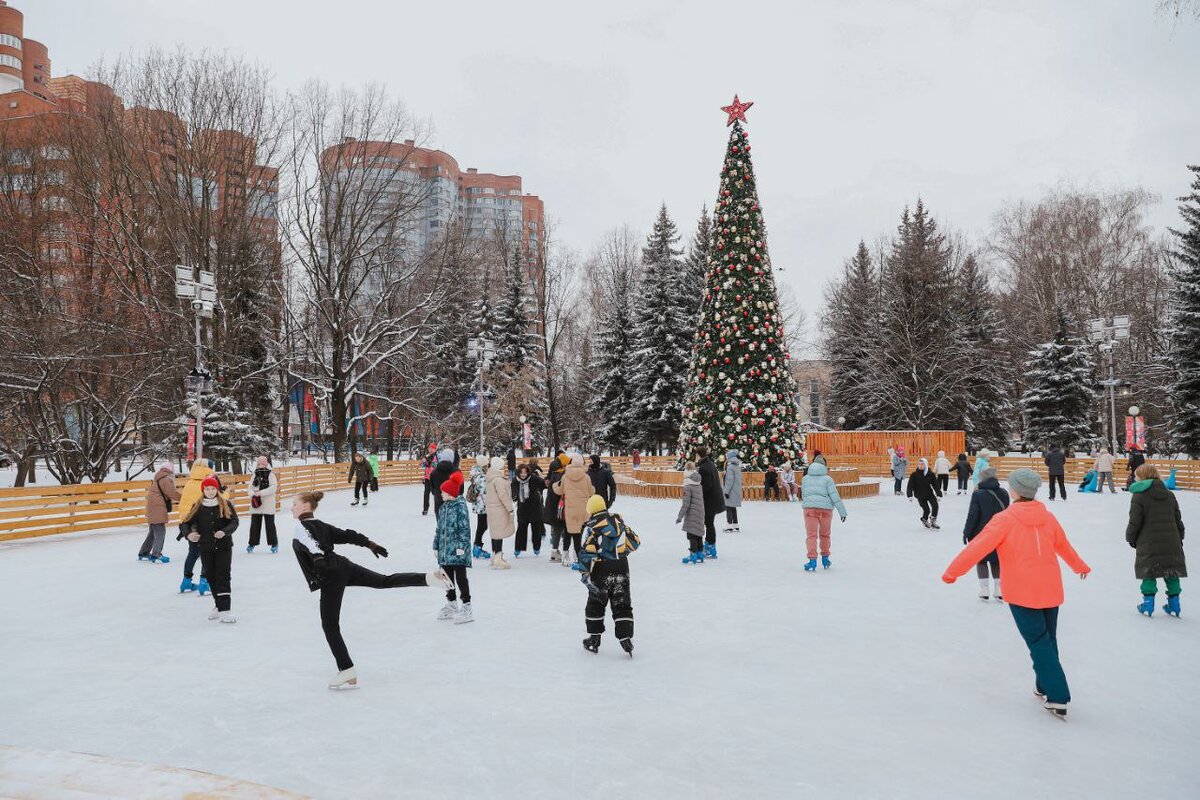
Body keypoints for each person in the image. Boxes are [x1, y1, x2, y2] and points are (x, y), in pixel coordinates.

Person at [942, 468, 1090, 720]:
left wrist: (952, 572)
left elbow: (977, 547)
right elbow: (1063, 546)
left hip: (1023, 592)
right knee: (1047, 640)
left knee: (1038, 642)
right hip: (1050, 588)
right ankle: (1043, 684)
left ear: (1015, 491)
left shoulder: (1005, 519)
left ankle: (1057, 695)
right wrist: (1079, 566)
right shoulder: (1047, 517)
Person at [291, 490, 451, 688]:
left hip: (330, 575)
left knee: (330, 626)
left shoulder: (302, 528)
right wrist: (370, 544)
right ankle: (428, 578)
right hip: (343, 567)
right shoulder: (321, 526)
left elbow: (311, 545)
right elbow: (347, 535)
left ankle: (346, 670)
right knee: (384, 581)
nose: (292, 507)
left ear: (306, 506)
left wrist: (319, 560)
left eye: (295, 504)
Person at [578, 494, 641, 656]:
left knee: (596, 602)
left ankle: (594, 638)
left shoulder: (592, 527)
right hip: (621, 566)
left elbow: (587, 551)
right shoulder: (619, 523)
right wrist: (621, 553)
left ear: (591, 510)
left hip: (601, 568)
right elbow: (635, 542)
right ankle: (626, 638)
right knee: (622, 602)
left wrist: (584, 571)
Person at [1126, 464, 1186, 617]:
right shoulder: (1169, 494)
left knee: (1149, 571)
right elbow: (1177, 519)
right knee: (1171, 570)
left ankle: (1148, 604)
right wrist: (1180, 536)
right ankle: (1174, 604)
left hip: (1149, 541)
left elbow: (1135, 521)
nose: (1135, 478)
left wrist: (1130, 537)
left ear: (1143, 477)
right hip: (1172, 540)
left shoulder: (1139, 495)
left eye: (1136, 475)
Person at [180, 474, 239, 623]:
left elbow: (234, 522)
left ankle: (225, 609)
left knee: (223, 576)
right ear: (203, 490)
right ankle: (218, 606)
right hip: (206, 547)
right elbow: (185, 523)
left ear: (217, 489)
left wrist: (225, 532)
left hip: (224, 547)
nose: (210, 491)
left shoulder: (225, 504)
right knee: (211, 576)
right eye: (207, 489)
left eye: (213, 488)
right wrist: (189, 534)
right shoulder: (198, 506)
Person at [433, 471, 474, 624]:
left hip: (457, 551)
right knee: (446, 578)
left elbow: (464, 530)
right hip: (445, 550)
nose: (441, 494)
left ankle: (467, 606)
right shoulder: (444, 507)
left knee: (461, 578)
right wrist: (436, 546)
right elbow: (439, 528)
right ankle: (451, 603)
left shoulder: (460, 507)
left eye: (443, 492)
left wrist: (461, 548)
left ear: (450, 493)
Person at [963, 467, 1009, 601]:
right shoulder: (1004, 493)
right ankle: (998, 589)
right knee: (996, 561)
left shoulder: (978, 494)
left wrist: (967, 532)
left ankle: (984, 590)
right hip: (999, 533)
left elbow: (973, 515)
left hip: (981, 533)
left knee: (981, 560)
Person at [175, 460, 216, 595]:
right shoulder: (207, 484)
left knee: (193, 553)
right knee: (207, 552)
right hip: (201, 523)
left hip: (186, 522)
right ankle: (204, 582)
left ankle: (186, 581)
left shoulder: (189, 483)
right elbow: (215, 500)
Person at [800, 461, 847, 572]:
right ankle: (825, 558)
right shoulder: (828, 479)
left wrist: (808, 504)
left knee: (811, 536)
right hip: (826, 510)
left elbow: (804, 495)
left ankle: (812, 561)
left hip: (810, 509)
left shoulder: (805, 479)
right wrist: (842, 512)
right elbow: (835, 496)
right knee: (825, 535)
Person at [554, 454, 593, 567]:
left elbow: (560, 491)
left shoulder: (565, 476)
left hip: (570, 509)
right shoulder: (586, 477)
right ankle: (578, 557)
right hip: (582, 509)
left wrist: (554, 486)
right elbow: (591, 492)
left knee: (568, 531)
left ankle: (565, 557)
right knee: (578, 533)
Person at [138, 462, 180, 564]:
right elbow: (172, 493)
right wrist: (184, 498)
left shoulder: (158, 478)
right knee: (160, 532)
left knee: (153, 532)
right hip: (158, 509)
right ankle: (156, 554)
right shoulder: (166, 479)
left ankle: (144, 552)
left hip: (153, 508)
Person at [485, 456, 515, 569]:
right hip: (499, 509)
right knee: (499, 534)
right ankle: (498, 557)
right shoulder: (498, 479)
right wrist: (510, 509)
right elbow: (503, 496)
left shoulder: (490, 477)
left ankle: (495, 556)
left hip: (492, 509)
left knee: (495, 533)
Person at [696, 447, 726, 560]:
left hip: (710, 501)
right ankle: (709, 545)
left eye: (696, 455)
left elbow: (706, 486)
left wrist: (696, 493)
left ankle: (711, 547)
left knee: (708, 524)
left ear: (699, 455)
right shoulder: (710, 464)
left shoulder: (704, 468)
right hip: (713, 500)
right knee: (709, 523)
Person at [513, 462, 546, 557]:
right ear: (518, 473)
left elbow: (543, 484)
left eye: (525, 472)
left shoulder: (533, 478)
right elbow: (513, 491)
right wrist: (514, 496)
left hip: (535, 507)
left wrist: (548, 482)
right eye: (521, 472)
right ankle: (518, 548)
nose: (523, 474)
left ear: (528, 472)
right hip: (523, 508)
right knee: (521, 528)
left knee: (536, 529)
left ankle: (536, 547)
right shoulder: (515, 481)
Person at [247, 456, 279, 553]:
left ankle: (274, 543)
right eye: (259, 464)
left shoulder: (271, 475)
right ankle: (252, 543)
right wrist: (253, 494)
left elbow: (273, 487)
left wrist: (261, 492)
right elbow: (249, 487)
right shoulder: (254, 475)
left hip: (268, 502)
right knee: (255, 525)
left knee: (270, 525)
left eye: (263, 464)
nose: (261, 466)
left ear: (266, 464)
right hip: (256, 502)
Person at [677, 462, 706, 564]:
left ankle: (693, 554)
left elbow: (686, 504)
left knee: (692, 534)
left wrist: (680, 516)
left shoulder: (688, 486)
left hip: (692, 513)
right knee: (698, 533)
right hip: (700, 511)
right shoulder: (698, 483)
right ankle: (700, 553)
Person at [545, 453, 569, 562]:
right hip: (558, 507)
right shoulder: (561, 476)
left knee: (557, 529)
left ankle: (555, 552)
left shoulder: (554, 474)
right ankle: (554, 553)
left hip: (552, 506)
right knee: (559, 529)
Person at [466, 455, 491, 560]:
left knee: (482, 525)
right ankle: (477, 547)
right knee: (482, 526)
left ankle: (477, 546)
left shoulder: (476, 474)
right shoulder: (481, 477)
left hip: (479, 505)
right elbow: (485, 492)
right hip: (482, 505)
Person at [907, 457, 942, 529]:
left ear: (925, 465)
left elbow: (935, 485)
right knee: (927, 510)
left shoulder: (930, 474)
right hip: (920, 495)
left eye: (922, 464)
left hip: (929, 493)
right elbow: (910, 485)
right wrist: (910, 495)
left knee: (935, 505)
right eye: (919, 464)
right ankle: (924, 520)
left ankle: (933, 521)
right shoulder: (914, 475)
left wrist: (938, 494)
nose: (920, 465)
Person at [428, 447, 459, 515]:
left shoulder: (434, 472)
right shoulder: (456, 472)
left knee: (440, 523)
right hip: (453, 504)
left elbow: (432, 488)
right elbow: (461, 489)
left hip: (438, 503)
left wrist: (437, 494)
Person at [722, 449, 743, 533]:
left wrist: (726, 491)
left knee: (728, 508)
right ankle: (735, 525)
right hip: (736, 490)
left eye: (727, 456)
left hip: (731, 491)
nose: (726, 457)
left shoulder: (730, 467)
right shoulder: (736, 466)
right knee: (733, 508)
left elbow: (729, 480)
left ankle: (729, 526)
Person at [421, 450, 437, 516]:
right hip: (427, 478)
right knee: (426, 494)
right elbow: (422, 465)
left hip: (434, 478)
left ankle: (437, 509)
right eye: (429, 448)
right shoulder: (427, 456)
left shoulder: (437, 456)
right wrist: (425, 461)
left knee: (435, 494)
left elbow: (437, 465)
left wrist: (431, 462)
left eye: (432, 449)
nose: (430, 450)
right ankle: (425, 509)